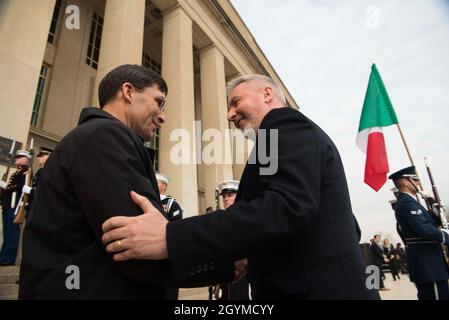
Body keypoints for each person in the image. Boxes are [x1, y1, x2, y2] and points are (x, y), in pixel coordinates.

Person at [102, 74, 379, 300]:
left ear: (267, 94)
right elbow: (333, 222)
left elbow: (285, 208)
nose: (230, 114)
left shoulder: (283, 124)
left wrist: (171, 236)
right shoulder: (272, 141)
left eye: (235, 102)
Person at [19, 65, 233, 299]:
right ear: (129, 92)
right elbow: (136, 247)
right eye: (159, 102)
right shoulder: (105, 136)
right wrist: (226, 263)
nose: (163, 117)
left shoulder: (96, 137)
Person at [388, 165, 449, 300]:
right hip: (428, 264)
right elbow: (425, 230)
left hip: (430, 264)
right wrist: (446, 236)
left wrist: (431, 201)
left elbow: (434, 221)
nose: (418, 183)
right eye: (415, 180)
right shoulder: (407, 204)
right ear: (405, 181)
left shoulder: (412, 202)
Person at [209, 180, 251, 300]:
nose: (226, 199)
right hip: (223, 270)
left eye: (230, 195)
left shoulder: (246, 215)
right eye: (224, 196)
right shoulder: (220, 217)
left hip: (242, 271)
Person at [0, 150, 31, 265]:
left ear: (25, 159)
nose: (16, 159)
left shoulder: (25, 171)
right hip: (8, 204)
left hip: (15, 205)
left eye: (18, 157)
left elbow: (21, 187)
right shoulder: (17, 171)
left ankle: (9, 258)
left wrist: (5, 185)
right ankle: (3, 256)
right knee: (7, 233)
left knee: (12, 233)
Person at [156, 172, 183, 300]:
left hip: (165, 249)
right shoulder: (149, 199)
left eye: (156, 182)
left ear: (164, 187)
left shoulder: (171, 203)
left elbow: (176, 224)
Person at [21, 147, 52, 218]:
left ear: (49, 157)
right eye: (38, 156)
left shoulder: (49, 172)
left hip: (40, 207)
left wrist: (30, 191)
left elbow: (45, 190)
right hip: (33, 205)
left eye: (41, 156)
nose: (38, 157)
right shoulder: (40, 171)